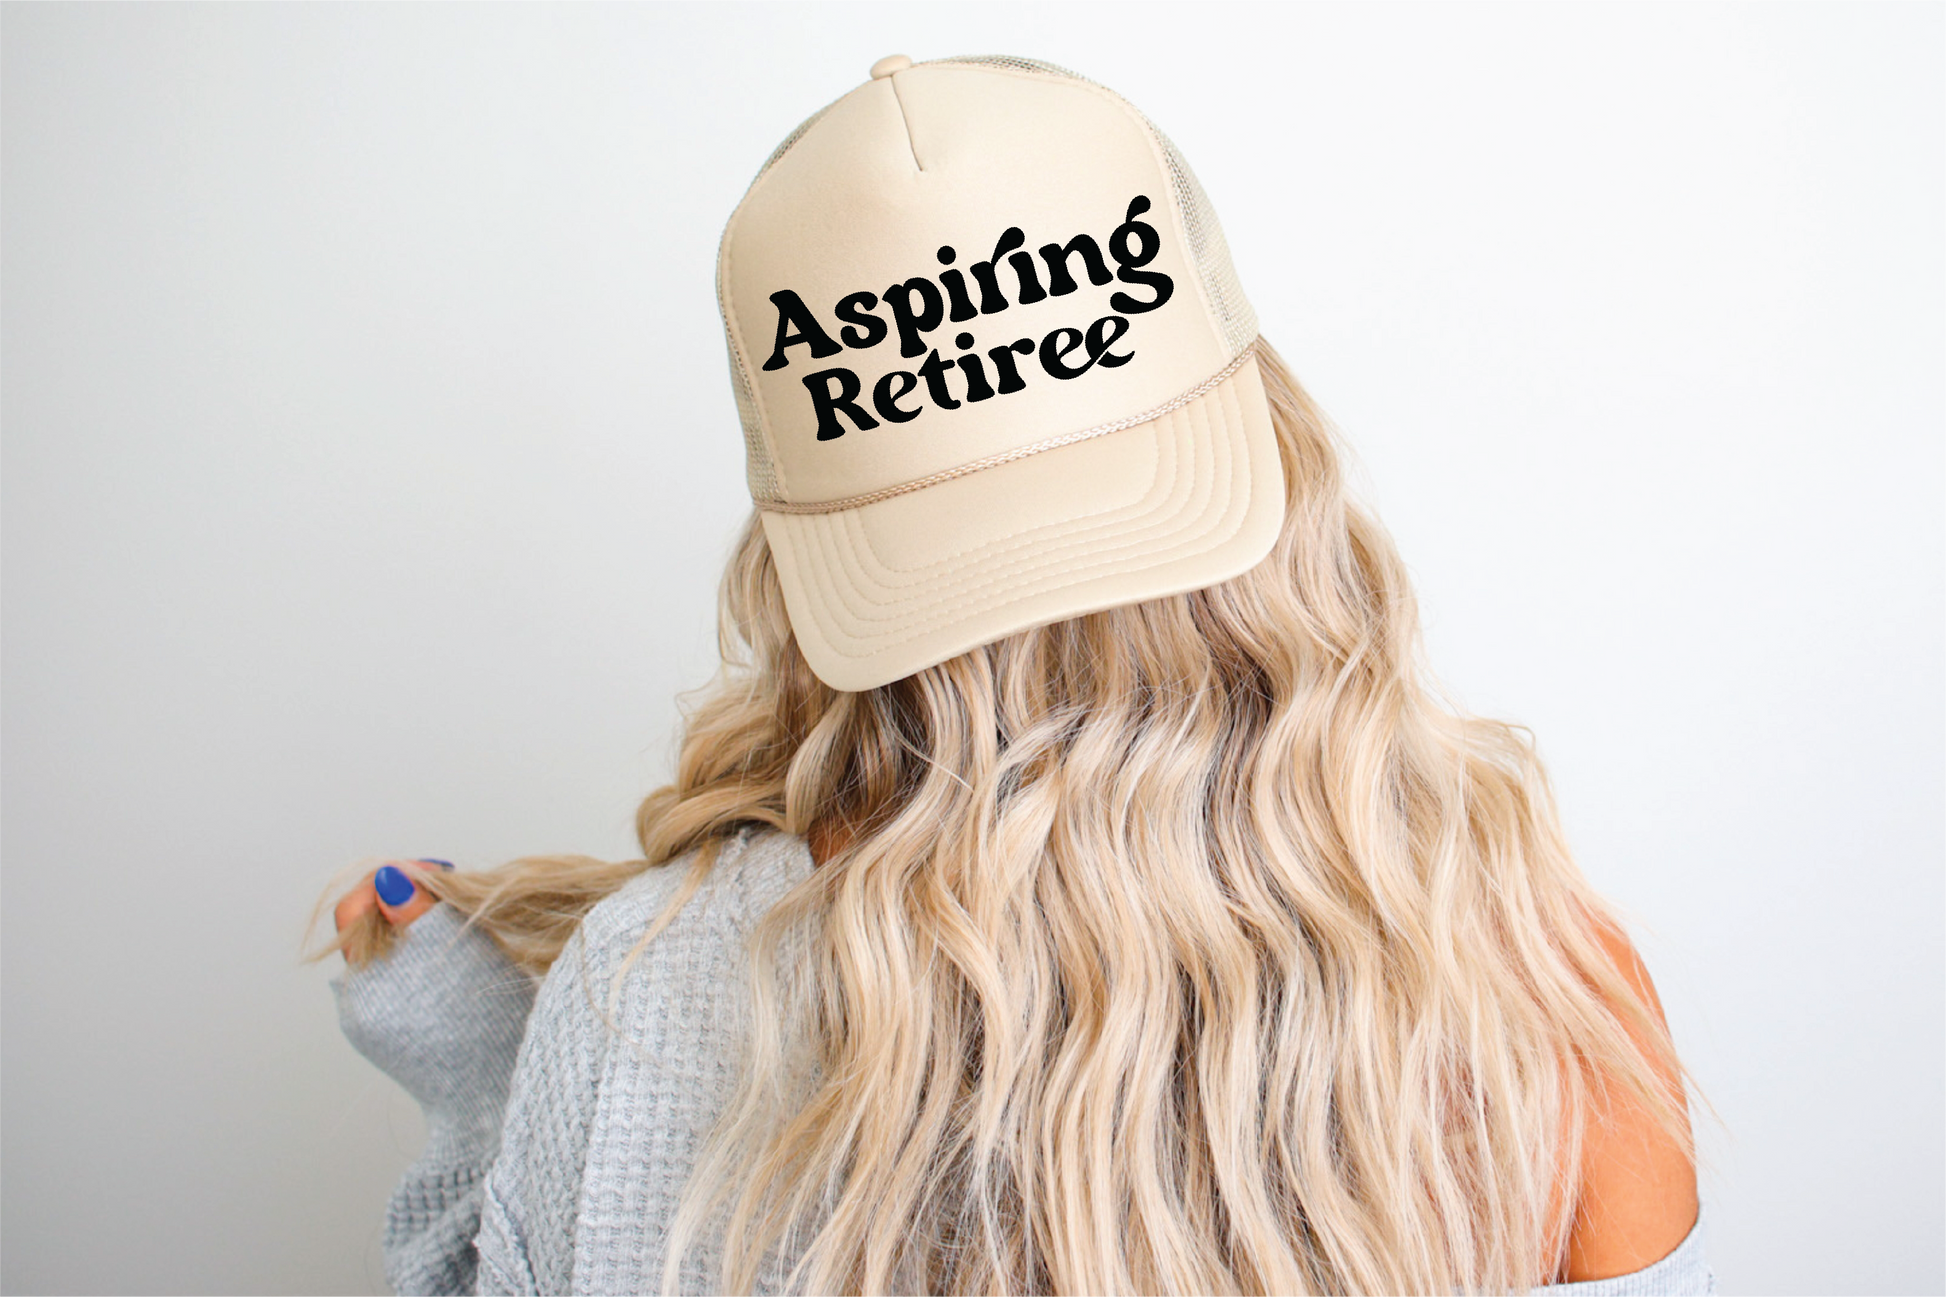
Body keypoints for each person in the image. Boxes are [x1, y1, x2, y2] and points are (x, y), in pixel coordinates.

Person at [319, 54, 1714, 1297]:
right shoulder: (1531, 977)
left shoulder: (639, 989)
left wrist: (494, 1085)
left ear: (795, 548)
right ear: (1269, 440)